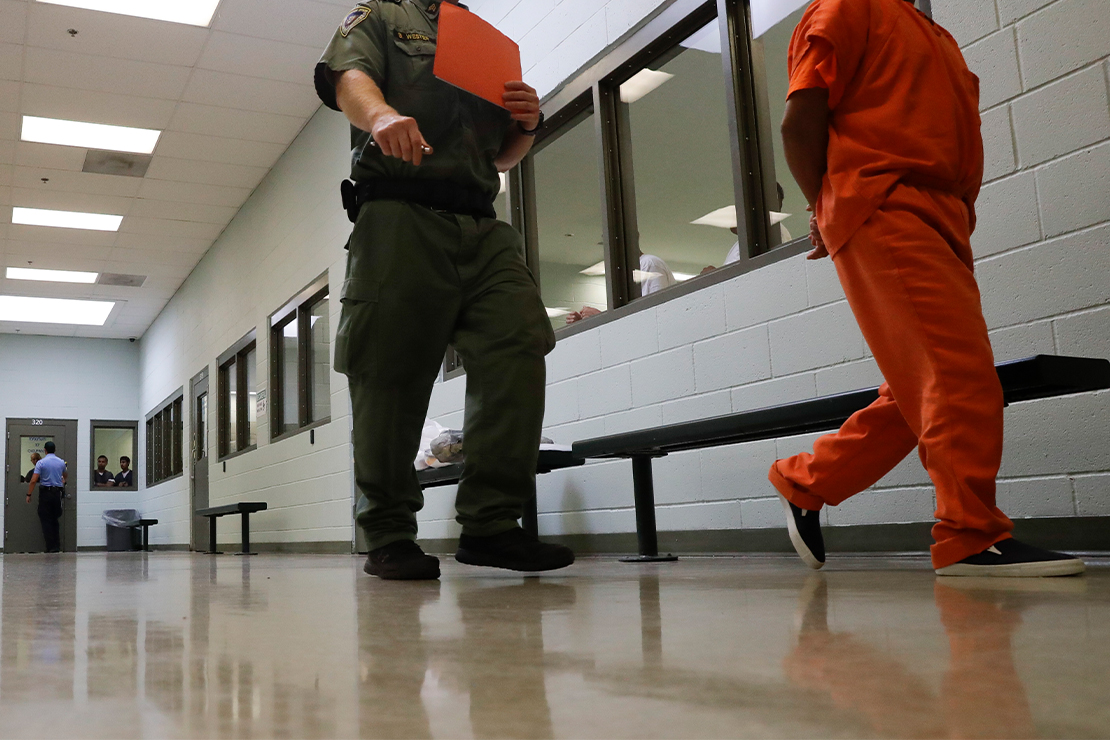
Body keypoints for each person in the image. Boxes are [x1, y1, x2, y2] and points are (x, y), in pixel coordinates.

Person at [768, 0, 1084, 576]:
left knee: (922, 385)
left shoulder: (928, 31)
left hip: (941, 211)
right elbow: (800, 119)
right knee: (957, 374)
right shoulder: (845, 7)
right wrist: (827, 203)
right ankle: (968, 534)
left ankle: (805, 481)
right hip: (884, 200)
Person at [315, 0, 575, 579]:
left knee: (518, 345)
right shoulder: (381, 13)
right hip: (399, 215)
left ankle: (492, 525)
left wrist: (527, 125)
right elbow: (347, 77)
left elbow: (499, 154)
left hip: (482, 223)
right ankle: (387, 531)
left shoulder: (482, 38)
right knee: (389, 372)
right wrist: (379, 115)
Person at [565, 251, 676, 324]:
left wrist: (600, 317)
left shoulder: (649, 264)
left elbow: (654, 316)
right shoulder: (625, 277)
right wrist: (584, 322)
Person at [26, 441, 66, 553]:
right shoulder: (61, 462)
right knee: (55, 519)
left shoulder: (41, 463)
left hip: (46, 494)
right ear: (55, 449)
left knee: (46, 520)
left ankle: (50, 547)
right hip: (57, 493)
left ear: (45, 450)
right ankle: (57, 546)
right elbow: (65, 475)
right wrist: (62, 480)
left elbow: (33, 480)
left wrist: (29, 494)